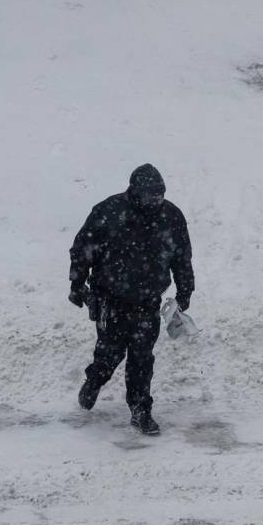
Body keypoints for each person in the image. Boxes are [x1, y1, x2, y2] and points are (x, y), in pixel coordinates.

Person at [68, 164, 194, 435]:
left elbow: (182, 257)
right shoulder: (109, 211)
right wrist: (77, 285)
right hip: (109, 299)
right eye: (151, 195)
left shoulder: (170, 216)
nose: (156, 201)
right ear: (135, 191)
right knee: (109, 353)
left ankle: (141, 410)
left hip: (147, 301)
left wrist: (185, 291)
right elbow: (82, 249)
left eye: (159, 195)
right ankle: (94, 381)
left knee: (142, 358)